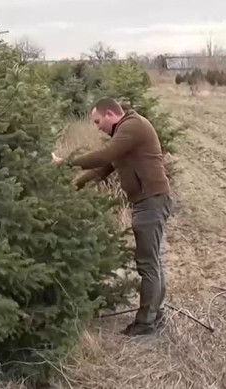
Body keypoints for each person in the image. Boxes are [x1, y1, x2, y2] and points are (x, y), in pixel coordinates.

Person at [53, 97, 173, 337]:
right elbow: (102, 168)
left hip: (151, 201)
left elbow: (104, 155)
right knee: (152, 262)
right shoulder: (123, 132)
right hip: (147, 201)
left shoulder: (133, 126)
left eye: (98, 121)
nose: (97, 127)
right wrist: (73, 188)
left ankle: (146, 323)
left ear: (110, 114)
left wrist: (65, 164)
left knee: (148, 263)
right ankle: (154, 314)